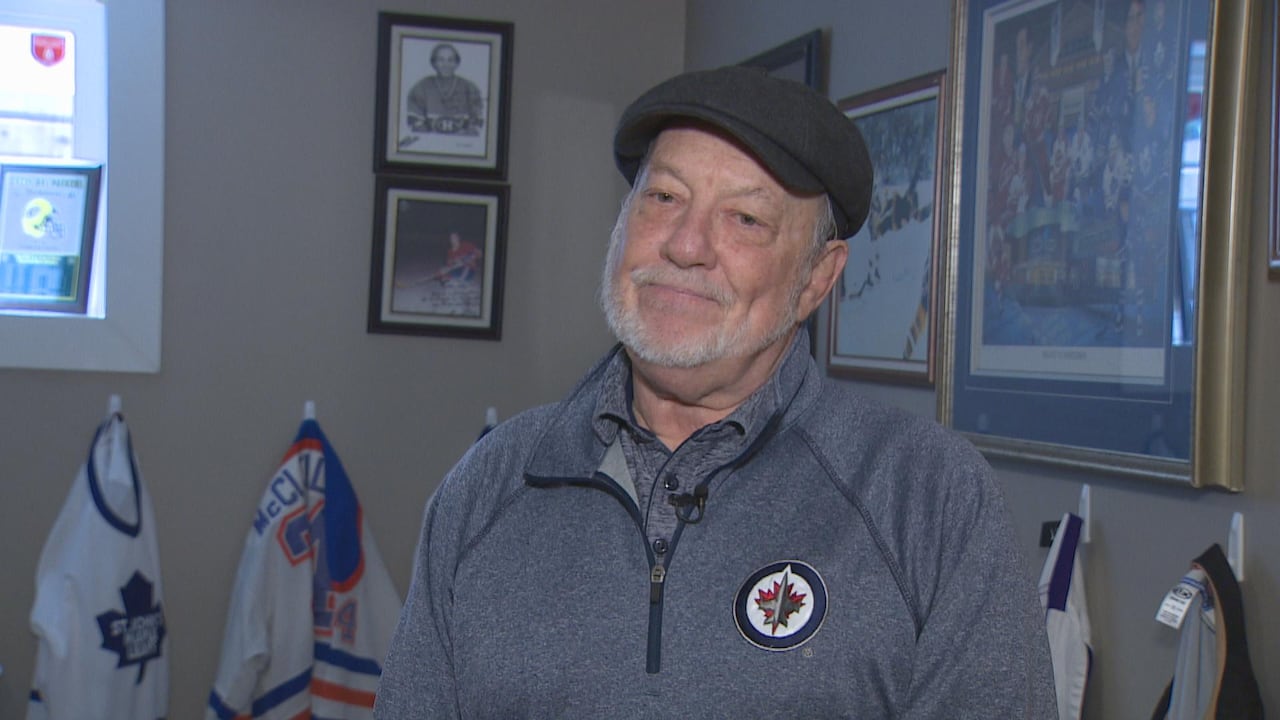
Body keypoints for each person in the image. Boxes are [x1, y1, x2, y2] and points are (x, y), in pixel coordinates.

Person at [374, 66, 1057, 718]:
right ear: (622, 226)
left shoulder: (928, 500)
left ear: (818, 279)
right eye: (665, 197)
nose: (686, 245)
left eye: (746, 220)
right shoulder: (488, 488)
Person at [406, 43, 485, 136]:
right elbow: (414, 120)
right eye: (441, 60)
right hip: (430, 142)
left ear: (457, 63)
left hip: (461, 142)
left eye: (450, 60)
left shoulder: (470, 87)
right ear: (433, 63)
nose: (445, 64)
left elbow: (477, 119)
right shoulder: (421, 87)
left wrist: (465, 138)